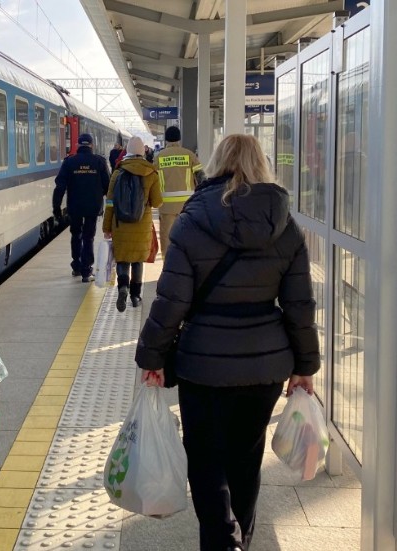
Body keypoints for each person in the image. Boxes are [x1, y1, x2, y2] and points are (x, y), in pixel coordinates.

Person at [134, 134, 319, 551]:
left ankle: (221, 540)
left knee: (204, 455)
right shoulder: (284, 223)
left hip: (203, 363)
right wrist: (305, 366)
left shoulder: (191, 219)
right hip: (264, 367)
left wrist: (153, 356)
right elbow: (299, 305)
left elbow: (172, 299)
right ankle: (242, 540)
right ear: (262, 163)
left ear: (215, 164)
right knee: (246, 456)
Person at [103, 136, 162, 311]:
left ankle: (122, 287)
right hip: (141, 225)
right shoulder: (151, 173)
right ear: (143, 152)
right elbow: (157, 202)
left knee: (122, 259)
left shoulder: (117, 172)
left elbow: (110, 202)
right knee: (138, 260)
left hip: (120, 224)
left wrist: (106, 227)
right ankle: (135, 296)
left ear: (127, 151)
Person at [53, 133, 110, 282]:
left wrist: (56, 208)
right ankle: (86, 271)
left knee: (76, 235)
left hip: (75, 206)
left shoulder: (69, 162)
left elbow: (60, 186)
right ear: (91, 145)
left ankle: (76, 267)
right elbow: (107, 186)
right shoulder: (99, 162)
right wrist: (99, 196)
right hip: (93, 206)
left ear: (78, 145)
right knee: (88, 237)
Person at [155, 126, 203, 259]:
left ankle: (168, 266)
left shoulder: (159, 157)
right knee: (188, 237)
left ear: (166, 139)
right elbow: (201, 178)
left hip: (166, 206)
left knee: (167, 239)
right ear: (179, 138)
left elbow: (153, 181)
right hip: (188, 206)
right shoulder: (189, 155)